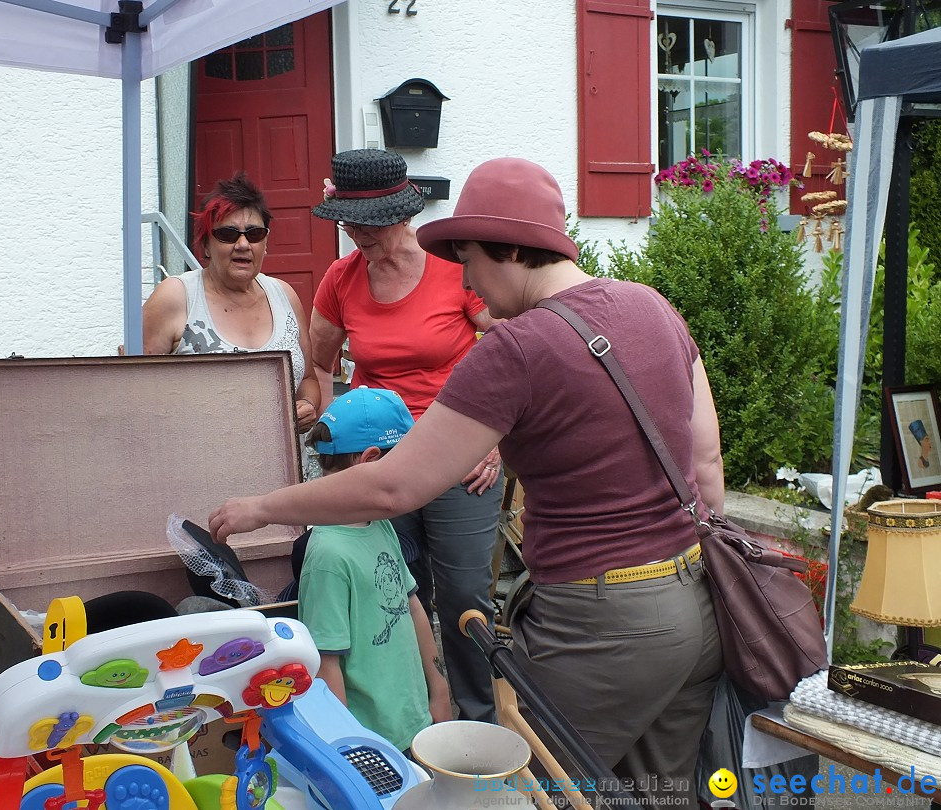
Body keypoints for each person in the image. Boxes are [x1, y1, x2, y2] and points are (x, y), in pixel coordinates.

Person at [210, 157, 726, 808]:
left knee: (527, 792)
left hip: (600, 624)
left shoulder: (517, 348)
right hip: (694, 604)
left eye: (471, 258)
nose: (469, 281)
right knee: (655, 794)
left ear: (509, 248)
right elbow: (707, 472)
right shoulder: (652, 308)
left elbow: (392, 488)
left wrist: (263, 506)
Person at [308, 148, 502, 723]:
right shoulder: (341, 281)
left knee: (464, 595)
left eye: (367, 222)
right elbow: (321, 364)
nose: (356, 234)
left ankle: (473, 724)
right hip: (380, 461)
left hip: (458, 455)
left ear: (401, 212)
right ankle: (406, 718)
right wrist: (329, 433)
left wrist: (494, 437)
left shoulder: (453, 270)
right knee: (392, 594)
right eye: (348, 222)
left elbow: (513, 348)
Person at [297, 385, 451, 751]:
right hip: (372, 747)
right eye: (408, 465)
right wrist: (349, 751)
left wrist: (440, 689)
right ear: (369, 461)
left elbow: (412, 605)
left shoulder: (379, 524)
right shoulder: (328, 557)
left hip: (414, 725)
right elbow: (325, 664)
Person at [141, 171, 319, 432]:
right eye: (227, 234)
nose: (243, 244)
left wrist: (307, 405)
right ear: (205, 246)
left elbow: (308, 379)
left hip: (283, 466)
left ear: (266, 243)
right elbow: (136, 392)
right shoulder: (176, 297)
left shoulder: (284, 296)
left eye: (255, 233)